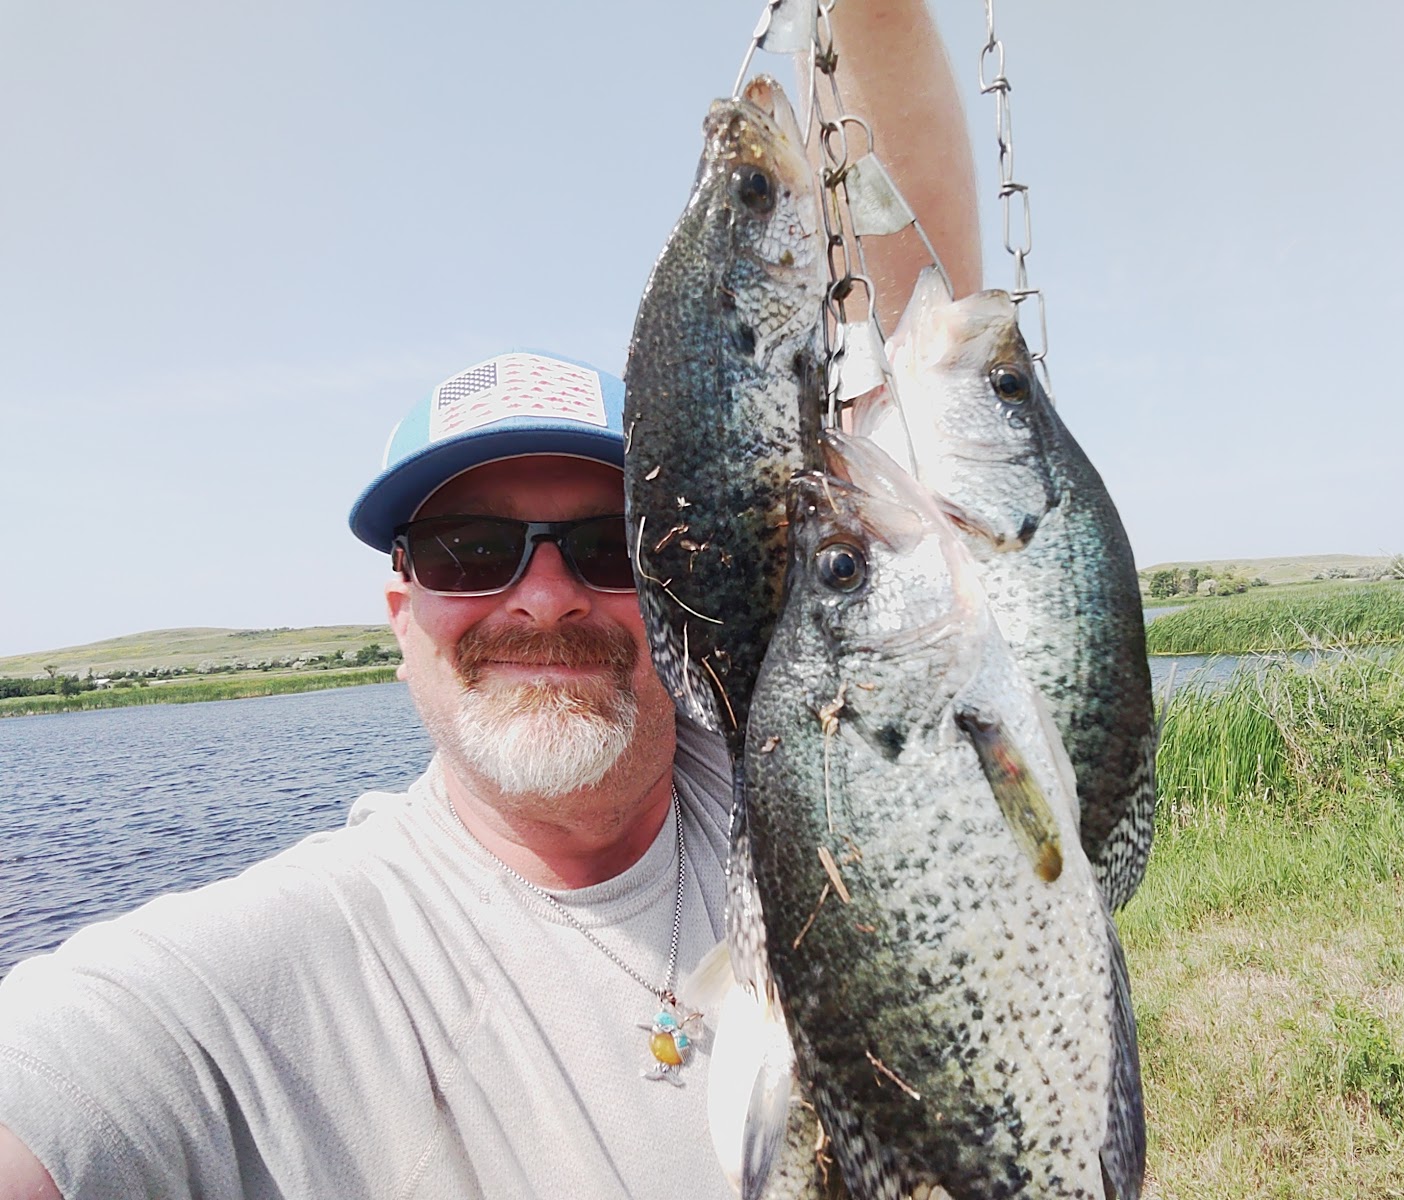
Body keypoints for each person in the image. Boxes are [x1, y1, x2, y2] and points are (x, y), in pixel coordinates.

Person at [0, 1, 980, 1195]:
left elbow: (930, 332)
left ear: (683, 567)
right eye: (469, 550)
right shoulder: (282, 965)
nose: (544, 595)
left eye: (606, 542)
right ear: (401, 613)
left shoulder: (801, 758)